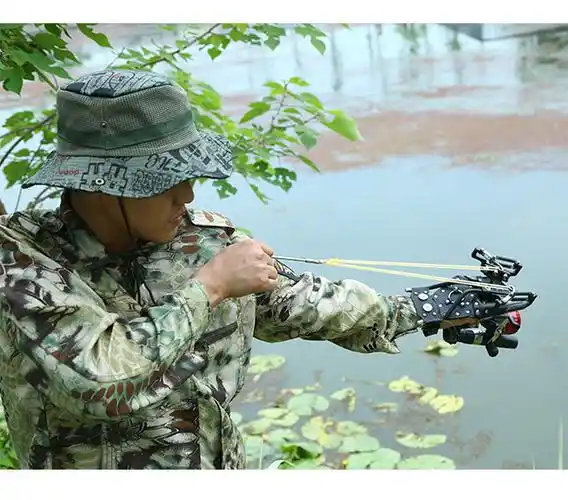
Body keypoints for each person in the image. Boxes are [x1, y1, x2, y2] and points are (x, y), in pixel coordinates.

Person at [0, 69, 527, 469]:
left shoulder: (200, 239)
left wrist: (423, 308)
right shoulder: (25, 266)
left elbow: (296, 303)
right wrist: (209, 288)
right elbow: (96, 380)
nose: (188, 194)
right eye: (167, 179)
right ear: (104, 184)